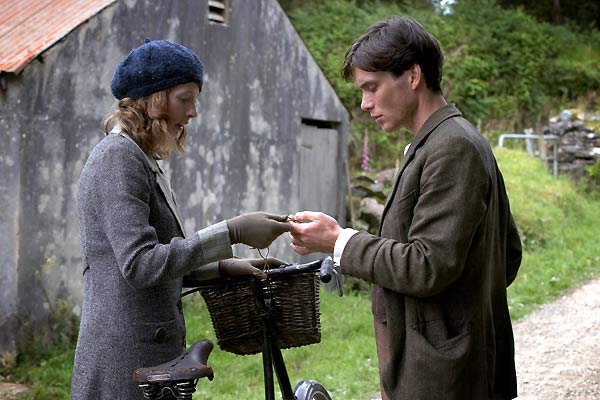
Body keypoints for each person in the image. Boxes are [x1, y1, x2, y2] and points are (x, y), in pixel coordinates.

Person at [288, 17, 522, 400]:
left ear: (412, 75)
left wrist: (339, 242)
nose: (365, 104)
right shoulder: (440, 142)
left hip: (445, 376)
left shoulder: (452, 147)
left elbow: (426, 265)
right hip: (446, 365)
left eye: (371, 88)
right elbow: (508, 255)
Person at [70, 39, 290, 399]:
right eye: (185, 99)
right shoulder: (118, 158)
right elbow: (140, 265)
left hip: (150, 353)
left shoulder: (141, 158)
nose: (193, 112)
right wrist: (230, 230)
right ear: (154, 100)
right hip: (125, 357)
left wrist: (226, 266)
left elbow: (161, 264)